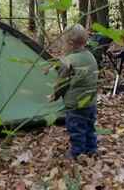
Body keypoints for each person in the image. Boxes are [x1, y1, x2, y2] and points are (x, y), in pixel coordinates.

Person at [50, 25, 99, 159]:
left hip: (76, 104)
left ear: (69, 44)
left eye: (63, 42)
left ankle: (77, 152)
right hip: (91, 102)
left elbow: (61, 83)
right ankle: (92, 149)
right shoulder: (90, 56)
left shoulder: (68, 61)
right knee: (89, 127)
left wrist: (55, 95)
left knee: (76, 129)